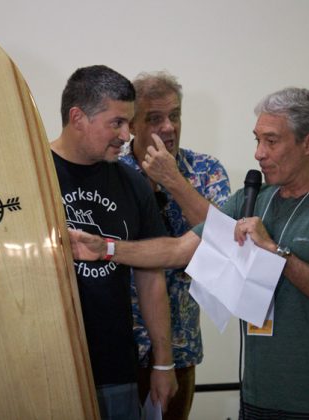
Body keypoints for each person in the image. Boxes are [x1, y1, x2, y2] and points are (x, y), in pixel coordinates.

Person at [0, 65, 177, 420]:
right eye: (117, 123)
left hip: (114, 368)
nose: (127, 135)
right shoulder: (19, 174)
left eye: (129, 123)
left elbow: (151, 277)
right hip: (36, 370)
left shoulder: (133, 184)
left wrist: (163, 364)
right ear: (78, 117)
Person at [70, 87, 309, 418]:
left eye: (271, 141)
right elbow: (178, 249)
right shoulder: (256, 197)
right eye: (257, 140)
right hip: (258, 397)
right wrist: (107, 248)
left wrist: (276, 252)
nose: (259, 153)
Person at [119, 70, 230, 419]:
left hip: (180, 347)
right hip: (116, 348)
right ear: (133, 124)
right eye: (155, 118)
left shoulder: (205, 170)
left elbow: (225, 239)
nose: (168, 127)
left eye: (175, 116)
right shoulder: (109, 171)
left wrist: (173, 181)